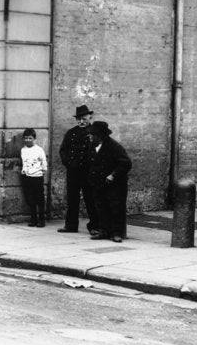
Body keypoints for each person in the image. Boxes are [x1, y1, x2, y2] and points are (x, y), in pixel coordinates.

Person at [57, 104, 99, 234]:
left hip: (88, 172)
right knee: (72, 198)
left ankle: (95, 226)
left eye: (84, 119)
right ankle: (71, 225)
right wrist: (68, 163)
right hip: (73, 171)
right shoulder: (71, 133)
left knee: (90, 199)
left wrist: (94, 167)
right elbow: (63, 150)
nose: (81, 121)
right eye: (79, 119)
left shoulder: (95, 133)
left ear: (90, 117)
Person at [87, 120, 131, 243]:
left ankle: (116, 233)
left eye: (93, 134)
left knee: (116, 208)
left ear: (100, 136)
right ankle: (104, 231)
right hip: (98, 183)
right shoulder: (92, 146)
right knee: (101, 207)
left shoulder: (114, 147)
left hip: (114, 184)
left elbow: (126, 163)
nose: (90, 136)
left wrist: (113, 175)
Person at [19, 128, 48, 227]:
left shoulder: (39, 150)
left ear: (34, 139)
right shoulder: (23, 150)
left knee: (39, 198)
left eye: (30, 138)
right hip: (26, 176)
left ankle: (41, 219)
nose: (28, 140)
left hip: (37, 177)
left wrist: (42, 172)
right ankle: (33, 219)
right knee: (30, 198)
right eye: (26, 138)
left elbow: (44, 163)